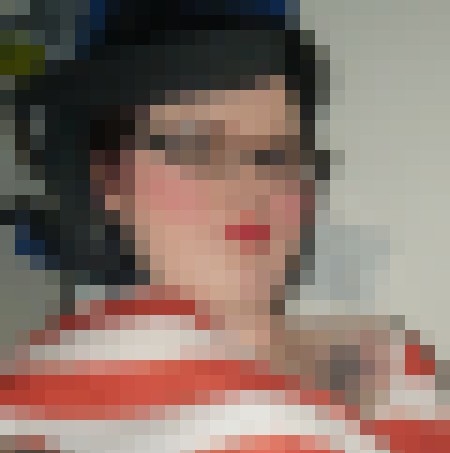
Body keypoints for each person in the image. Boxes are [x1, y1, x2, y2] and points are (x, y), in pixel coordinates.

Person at [3, 1, 450, 452]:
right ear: (109, 178)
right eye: (199, 150)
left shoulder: (390, 357)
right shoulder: (56, 395)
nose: (251, 188)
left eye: (278, 156)